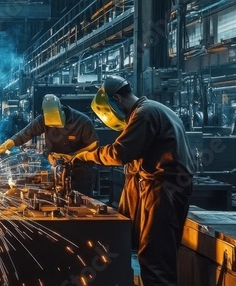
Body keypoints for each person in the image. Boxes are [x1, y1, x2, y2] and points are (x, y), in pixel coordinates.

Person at [73, 76, 194, 285]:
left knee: (155, 257)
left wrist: (87, 155)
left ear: (117, 99)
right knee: (155, 251)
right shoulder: (153, 109)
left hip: (164, 188)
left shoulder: (144, 113)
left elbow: (120, 153)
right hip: (163, 186)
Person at [0, 94, 99, 193]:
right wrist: (6, 145)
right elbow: (25, 133)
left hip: (81, 172)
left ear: (62, 112)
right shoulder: (43, 119)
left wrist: (72, 157)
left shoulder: (83, 122)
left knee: (82, 205)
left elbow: (94, 149)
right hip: (56, 169)